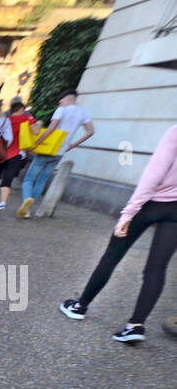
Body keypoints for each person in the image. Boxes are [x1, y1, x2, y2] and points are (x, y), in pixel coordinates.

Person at [59, 124, 177, 344]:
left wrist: (128, 213)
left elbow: (153, 174)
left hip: (151, 204)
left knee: (112, 256)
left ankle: (79, 306)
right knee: (157, 267)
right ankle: (135, 325)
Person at [17, 90, 94, 219]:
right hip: (60, 151)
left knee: (29, 179)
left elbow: (51, 129)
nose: (59, 103)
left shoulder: (61, 110)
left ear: (67, 98)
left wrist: (36, 143)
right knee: (42, 180)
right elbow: (91, 131)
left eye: (60, 101)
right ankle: (28, 208)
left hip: (47, 149)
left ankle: (26, 201)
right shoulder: (84, 113)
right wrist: (72, 145)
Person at [0, 97, 33, 220]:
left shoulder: (4, 120)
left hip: (1, 153)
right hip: (16, 154)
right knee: (7, 181)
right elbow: (35, 130)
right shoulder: (26, 119)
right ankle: (1, 205)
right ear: (21, 109)